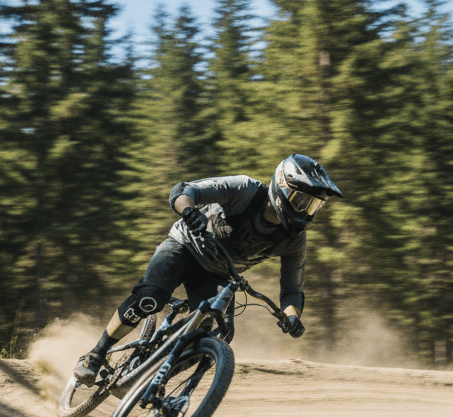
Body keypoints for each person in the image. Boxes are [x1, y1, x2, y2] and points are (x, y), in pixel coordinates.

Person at [73, 154, 344, 384]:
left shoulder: (294, 239)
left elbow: (292, 291)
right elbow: (183, 191)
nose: (305, 212)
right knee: (150, 298)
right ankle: (96, 354)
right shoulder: (246, 190)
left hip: (217, 275)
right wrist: (189, 210)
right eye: (301, 201)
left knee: (219, 335)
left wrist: (292, 316)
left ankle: (153, 381)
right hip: (183, 247)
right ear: (282, 187)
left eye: (313, 205)